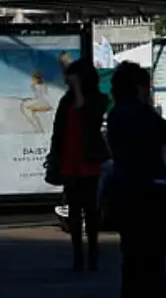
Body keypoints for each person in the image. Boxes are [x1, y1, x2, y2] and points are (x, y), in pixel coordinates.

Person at [106, 61, 166, 298]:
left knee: (132, 252)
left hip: (124, 190)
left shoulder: (115, 115)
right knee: (153, 253)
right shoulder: (141, 113)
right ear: (138, 87)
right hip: (148, 190)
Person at [48, 59, 108, 271]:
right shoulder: (66, 101)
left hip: (88, 161)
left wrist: (78, 90)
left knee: (91, 210)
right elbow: (58, 131)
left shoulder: (98, 99)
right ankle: (77, 253)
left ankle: (92, 250)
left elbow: (88, 117)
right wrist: (54, 157)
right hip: (69, 161)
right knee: (73, 209)